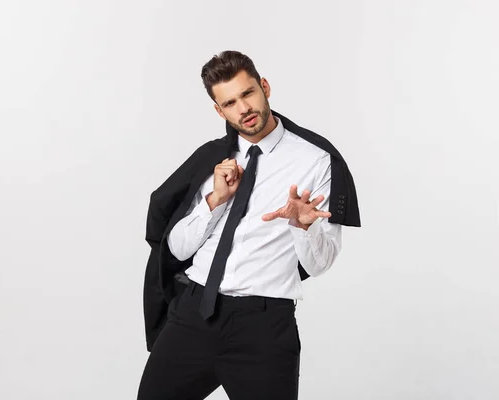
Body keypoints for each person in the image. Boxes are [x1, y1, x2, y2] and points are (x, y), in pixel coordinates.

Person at [137, 50, 361, 400]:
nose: (243, 109)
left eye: (248, 93)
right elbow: (176, 248)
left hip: (263, 326)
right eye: (230, 103)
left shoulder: (316, 161)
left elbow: (320, 263)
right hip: (193, 315)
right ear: (219, 110)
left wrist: (302, 227)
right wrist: (215, 201)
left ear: (264, 87)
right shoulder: (213, 158)